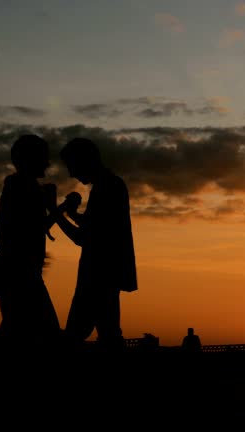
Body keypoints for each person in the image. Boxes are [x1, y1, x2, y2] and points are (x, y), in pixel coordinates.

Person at [51, 137, 138, 353]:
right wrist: (72, 215)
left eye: (72, 166)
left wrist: (53, 212)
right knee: (109, 334)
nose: (71, 174)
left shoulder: (105, 188)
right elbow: (98, 228)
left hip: (97, 275)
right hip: (109, 274)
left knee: (73, 336)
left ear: (84, 161)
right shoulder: (111, 184)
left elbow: (84, 238)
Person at [0, 134, 62, 349]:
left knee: (18, 331)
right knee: (43, 332)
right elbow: (35, 228)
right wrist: (56, 207)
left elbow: (36, 228)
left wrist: (51, 205)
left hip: (17, 271)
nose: (47, 163)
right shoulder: (21, 186)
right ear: (30, 159)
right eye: (43, 158)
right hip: (18, 272)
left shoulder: (21, 185)